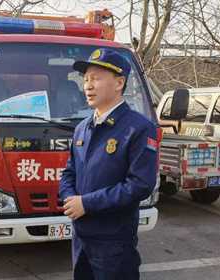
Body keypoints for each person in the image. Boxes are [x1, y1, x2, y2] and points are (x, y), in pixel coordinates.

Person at [59, 48, 158, 280]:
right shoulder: (82, 127)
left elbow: (140, 184)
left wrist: (87, 203)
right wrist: (70, 198)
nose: (88, 86)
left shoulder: (138, 128)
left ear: (119, 82)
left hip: (113, 243)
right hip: (81, 237)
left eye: (96, 78)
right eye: (85, 79)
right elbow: (69, 171)